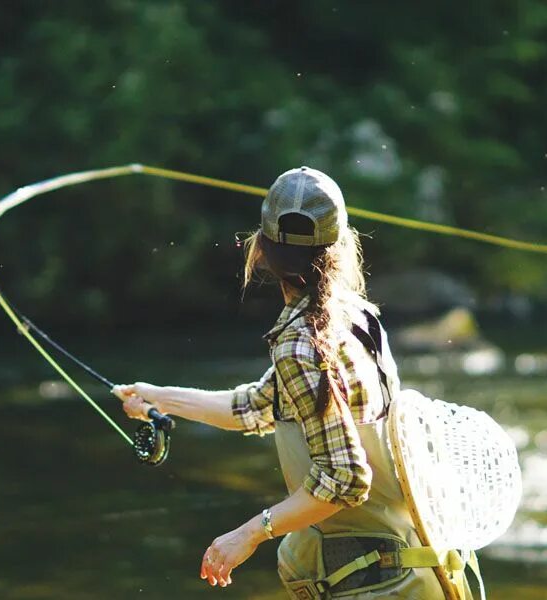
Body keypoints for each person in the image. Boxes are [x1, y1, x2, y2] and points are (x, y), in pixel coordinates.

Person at [113, 167, 445, 598]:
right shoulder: (354, 316)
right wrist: (159, 397)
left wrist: (248, 534)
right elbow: (257, 406)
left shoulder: (301, 342)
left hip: (373, 582)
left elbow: (344, 480)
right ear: (341, 245)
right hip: (410, 566)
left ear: (261, 250)